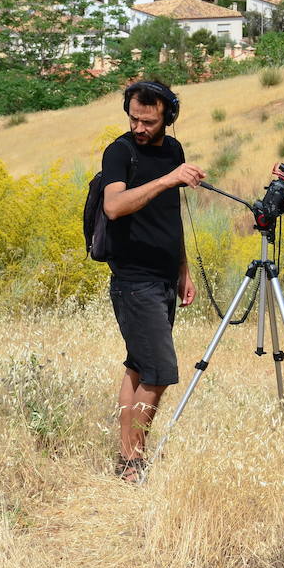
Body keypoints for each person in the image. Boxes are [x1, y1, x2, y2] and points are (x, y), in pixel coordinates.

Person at [101, 80, 205, 482]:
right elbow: (114, 206)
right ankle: (132, 463)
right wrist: (168, 179)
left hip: (164, 277)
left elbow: (169, 215)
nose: (139, 127)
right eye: (133, 118)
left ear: (168, 118)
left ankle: (128, 457)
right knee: (159, 372)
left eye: (148, 121)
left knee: (139, 368)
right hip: (133, 279)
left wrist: (182, 269)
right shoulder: (119, 151)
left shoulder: (173, 150)